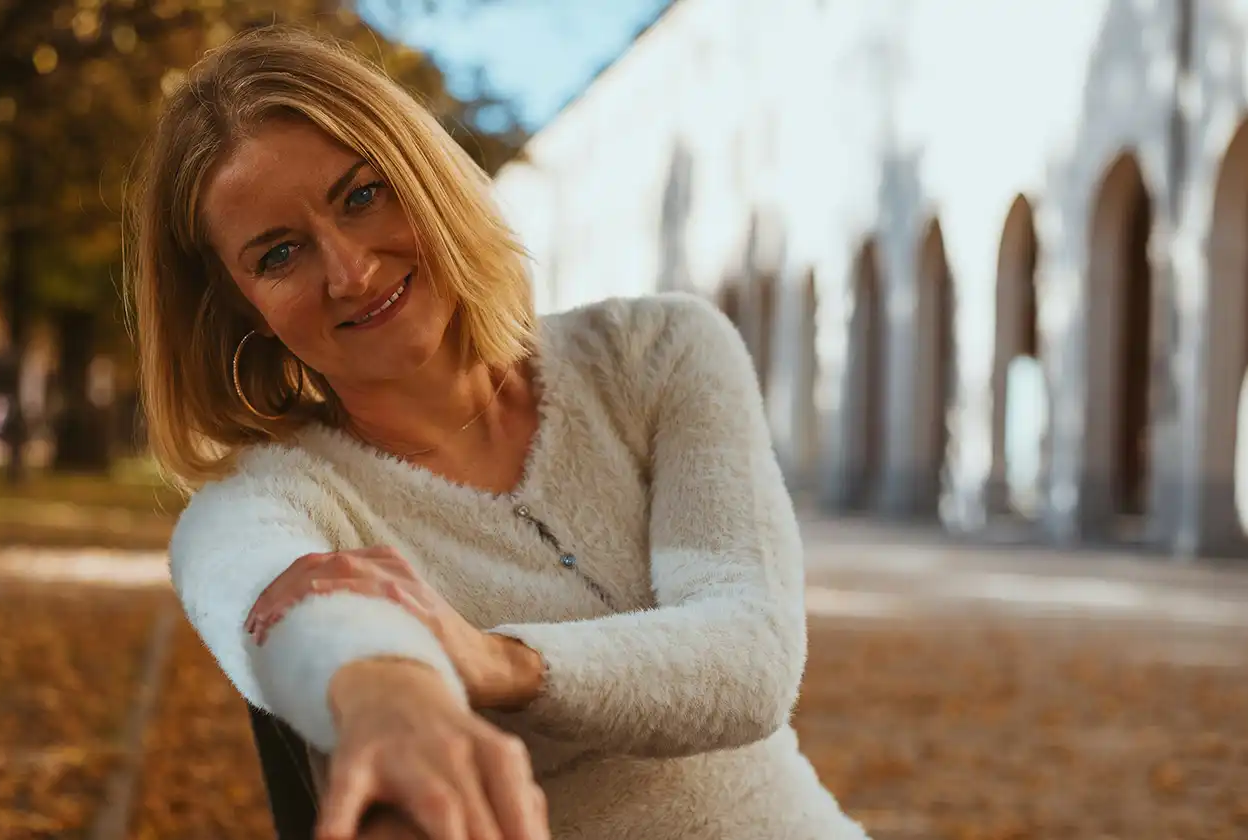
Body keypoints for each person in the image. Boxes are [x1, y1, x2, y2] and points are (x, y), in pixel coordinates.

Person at [129, 25, 870, 840]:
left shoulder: (660, 353)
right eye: (279, 254)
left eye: (363, 195)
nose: (350, 271)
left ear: (424, 176)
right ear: (242, 307)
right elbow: (285, 616)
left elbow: (748, 658)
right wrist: (386, 688)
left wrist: (493, 660)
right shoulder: (260, 506)